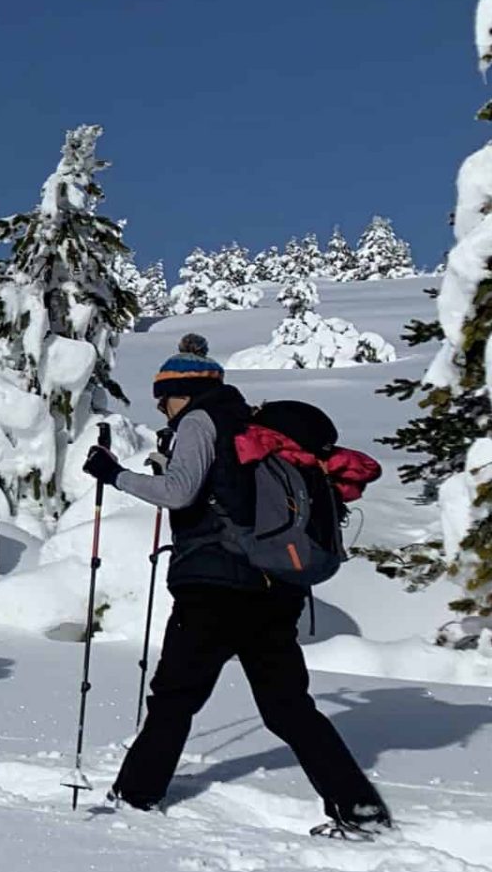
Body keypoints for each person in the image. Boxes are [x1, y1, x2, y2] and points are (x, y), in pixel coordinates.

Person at [83, 335, 391, 834]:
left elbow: (178, 494)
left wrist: (113, 474)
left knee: (175, 698)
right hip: (275, 588)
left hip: (215, 588)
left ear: (183, 392)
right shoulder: (249, 425)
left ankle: (136, 797)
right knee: (287, 707)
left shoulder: (200, 421)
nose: (162, 408)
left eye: (164, 397)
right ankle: (358, 807)